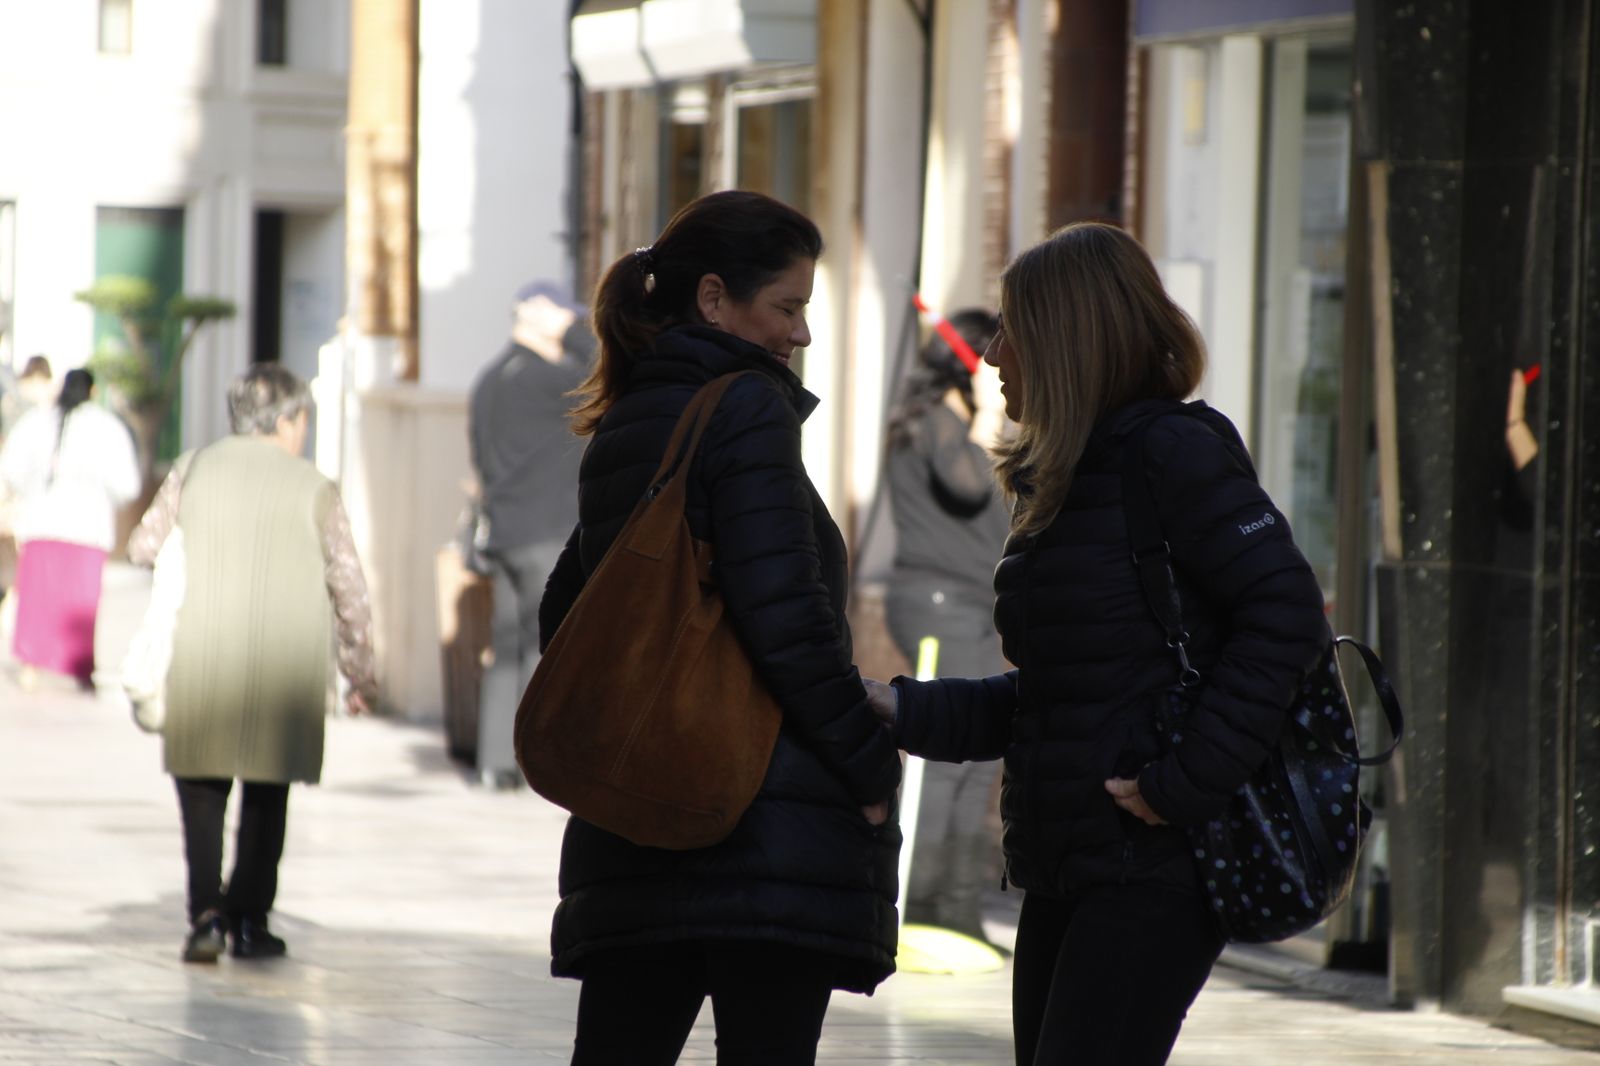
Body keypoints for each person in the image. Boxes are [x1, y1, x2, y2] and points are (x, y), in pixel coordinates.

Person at [866, 222, 1328, 1066]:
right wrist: (903, 710)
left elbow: (1288, 617)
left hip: (1154, 860)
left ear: (1068, 341)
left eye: (1013, 331)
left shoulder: (1171, 451)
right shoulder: (1072, 474)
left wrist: (1182, 784)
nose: (995, 354)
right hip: (1069, 857)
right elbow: (1063, 694)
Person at [538, 189, 902, 1065]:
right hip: (757, 820)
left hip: (638, 811)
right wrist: (864, 763)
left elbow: (567, 611)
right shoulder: (744, 408)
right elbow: (786, 616)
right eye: (788, 307)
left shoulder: (627, 419)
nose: (801, 334)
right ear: (713, 300)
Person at [127, 363, 378, 964]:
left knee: (203, 792)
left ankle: (205, 915)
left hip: (201, 656)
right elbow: (350, 589)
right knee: (268, 797)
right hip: (284, 670)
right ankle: (250, 919)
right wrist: (360, 672)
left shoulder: (193, 466)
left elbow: (142, 545)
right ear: (288, 421)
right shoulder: (315, 487)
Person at [883, 308, 1008, 943]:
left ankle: (960, 912)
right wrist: (987, 411)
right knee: (945, 762)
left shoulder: (959, 425)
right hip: (937, 604)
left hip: (976, 607)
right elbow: (966, 484)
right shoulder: (932, 423)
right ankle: (922, 907)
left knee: (983, 759)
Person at [467, 280, 589, 788]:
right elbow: (598, 375)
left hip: (505, 537)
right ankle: (540, 765)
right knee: (548, 651)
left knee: (506, 651)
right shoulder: (546, 378)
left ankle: (496, 765)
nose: (568, 326)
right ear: (534, 314)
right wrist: (577, 333)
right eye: (560, 315)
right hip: (544, 536)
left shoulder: (489, 379)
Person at [0, 367, 139, 689]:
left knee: (39, 601)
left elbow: (12, 470)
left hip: (43, 525)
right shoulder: (107, 427)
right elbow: (127, 485)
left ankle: (31, 666)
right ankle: (79, 669)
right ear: (92, 391)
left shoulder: (36, 422)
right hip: (87, 529)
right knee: (79, 604)